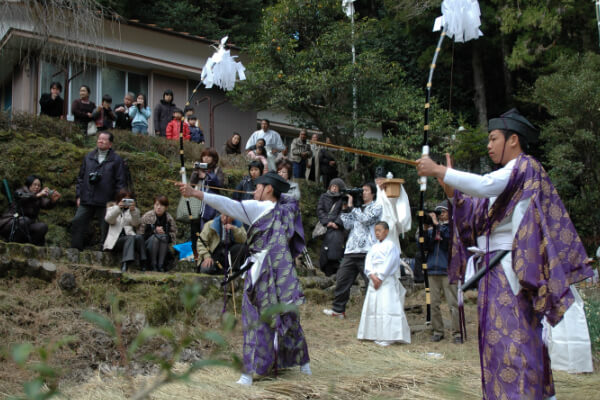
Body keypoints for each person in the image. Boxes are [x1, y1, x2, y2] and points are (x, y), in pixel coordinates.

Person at [416, 108, 593, 400]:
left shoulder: (526, 167)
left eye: (493, 138)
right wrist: (448, 185)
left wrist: (440, 170)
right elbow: (471, 214)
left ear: (513, 140)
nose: (489, 145)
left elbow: (485, 186)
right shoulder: (504, 176)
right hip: (495, 270)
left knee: (516, 341)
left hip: (514, 269)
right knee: (497, 343)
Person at [176, 171, 311, 386]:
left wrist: (196, 193)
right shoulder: (288, 210)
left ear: (269, 189)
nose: (253, 190)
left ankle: (250, 374)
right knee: (287, 316)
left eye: (258, 187)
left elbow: (228, 204)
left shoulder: (262, 208)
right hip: (280, 271)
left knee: (258, 318)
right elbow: (289, 198)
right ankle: (299, 365)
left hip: (266, 270)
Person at [323, 182, 382, 318]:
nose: (363, 192)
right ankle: (338, 310)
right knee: (342, 279)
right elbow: (348, 225)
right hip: (351, 250)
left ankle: (372, 314)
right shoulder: (357, 208)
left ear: (373, 193)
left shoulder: (377, 207)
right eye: (362, 190)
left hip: (368, 250)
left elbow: (366, 220)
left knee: (370, 283)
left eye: (366, 190)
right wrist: (345, 208)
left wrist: (353, 207)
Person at [71, 132, 127, 250]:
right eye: (99, 139)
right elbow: (81, 178)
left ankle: (105, 250)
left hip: (106, 200)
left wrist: (119, 200)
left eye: (104, 139)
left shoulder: (116, 160)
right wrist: (78, 195)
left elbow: (120, 182)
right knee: (78, 221)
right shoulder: (89, 157)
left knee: (106, 226)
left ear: (110, 144)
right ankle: (76, 248)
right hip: (87, 197)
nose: (100, 141)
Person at [357, 221, 411, 346]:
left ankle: (389, 335)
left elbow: (390, 262)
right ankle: (373, 333)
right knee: (373, 307)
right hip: (373, 278)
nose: (377, 233)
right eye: (375, 231)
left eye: (379, 230)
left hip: (386, 280)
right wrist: (371, 275)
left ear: (386, 231)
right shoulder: (373, 246)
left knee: (387, 306)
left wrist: (380, 277)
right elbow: (368, 262)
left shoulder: (391, 246)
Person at [422, 200, 460, 344]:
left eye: (443, 212)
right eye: (439, 212)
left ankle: (457, 333)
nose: (441, 215)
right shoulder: (433, 229)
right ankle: (438, 331)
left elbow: (446, 243)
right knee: (434, 303)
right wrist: (426, 229)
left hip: (448, 270)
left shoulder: (452, 228)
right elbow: (426, 246)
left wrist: (436, 224)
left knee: (453, 303)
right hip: (432, 270)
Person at [0, 175, 61, 246]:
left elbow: (46, 204)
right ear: (29, 184)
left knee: (42, 227)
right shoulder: (20, 191)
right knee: (25, 220)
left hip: (27, 225)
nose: (37, 187)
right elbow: (23, 197)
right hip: (11, 222)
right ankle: (13, 243)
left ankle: (30, 245)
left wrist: (53, 200)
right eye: (34, 185)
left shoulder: (38, 197)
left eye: (39, 185)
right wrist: (38, 195)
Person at [189, 148, 224, 260]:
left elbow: (219, 185)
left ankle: (208, 257)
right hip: (197, 205)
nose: (206, 158)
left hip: (210, 207)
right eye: (204, 156)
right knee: (195, 232)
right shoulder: (199, 168)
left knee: (207, 231)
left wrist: (206, 176)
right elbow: (192, 184)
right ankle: (196, 256)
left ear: (214, 158)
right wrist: (196, 171)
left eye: (209, 156)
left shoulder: (217, 170)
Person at [103, 189, 146, 272]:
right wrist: (118, 208)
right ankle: (125, 263)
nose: (126, 202)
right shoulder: (112, 208)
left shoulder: (134, 211)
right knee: (130, 238)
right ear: (119, 199)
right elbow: (109, 220)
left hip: (129, 238)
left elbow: (136, 224)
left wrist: (133, 211)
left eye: (129, 200)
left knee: (139, 237)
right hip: (115, 240)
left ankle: (143, 262)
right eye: (124, 200)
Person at [138, 195, 177, 272]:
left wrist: (165, 233)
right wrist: (153, 231)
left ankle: (160, 265)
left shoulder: (169, 218)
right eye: (157, 205)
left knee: (163, 237)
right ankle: (154, 264)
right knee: (156, 238)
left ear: (166, 207)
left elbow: (174, 233)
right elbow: (140, 234)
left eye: (162, 205)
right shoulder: (147, 216)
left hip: (163, 245)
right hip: (148, 244)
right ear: (154, 205)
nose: (159, 207)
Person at [316, 178, 347, 276]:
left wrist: (337, 223)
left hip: (338, 228)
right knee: (324, 249)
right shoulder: (323, 196)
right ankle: (325, 268)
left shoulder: (343, 198)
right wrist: (327, 222)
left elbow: (344, 212)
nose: (334, 188)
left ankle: (335, 268)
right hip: (326, 226)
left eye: (336, 187)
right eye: (332, 186)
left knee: (335, 246)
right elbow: (320, 210)